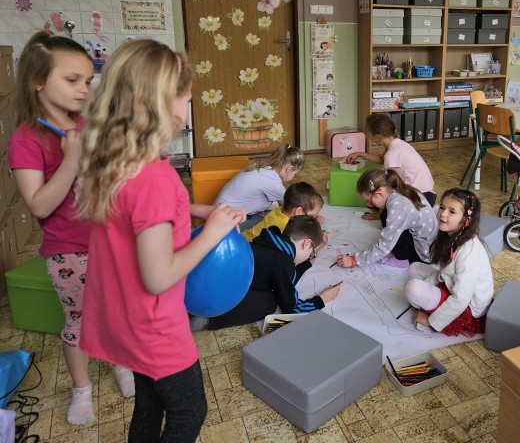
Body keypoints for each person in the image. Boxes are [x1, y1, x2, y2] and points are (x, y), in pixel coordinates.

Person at [74, 39, 245, 442]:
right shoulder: (154, 178)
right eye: (187, 99)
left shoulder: (117, 161)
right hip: (153, 324)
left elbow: (138, 218)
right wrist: (214, 233)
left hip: (122, 318)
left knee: (150, 405)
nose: (189, 108)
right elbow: (158, 276)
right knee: (189, 411)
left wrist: (198, 210)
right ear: (163, 104)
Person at [7, 31, 136, 425]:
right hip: (69, 250)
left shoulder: (87, 123)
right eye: (72, 79)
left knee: (117, 312)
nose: (84, 89)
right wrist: (71, 160)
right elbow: (39, 204)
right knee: (79, 323)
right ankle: (82, 388)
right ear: (38, 81)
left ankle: (121, 363)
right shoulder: (26, 139)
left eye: (87, 80)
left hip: (112, 239)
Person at [199, 215, 341, 331]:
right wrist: (322, 299)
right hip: (213, 301)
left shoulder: (269, 241)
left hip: (208, 281)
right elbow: (292, 308)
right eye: (311, 252)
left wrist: (308, 261)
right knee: (270, 302)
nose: (310, 255)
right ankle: (209, 321)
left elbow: (285, 281)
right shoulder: (283, 262)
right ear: (306, 243)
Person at [403, 188, 493, 337]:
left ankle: (431, 318)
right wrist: (427, 287)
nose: (443, 214)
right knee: (414, 268)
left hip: (468, 308)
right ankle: (428, 303)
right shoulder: (452, 235)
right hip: (451, 285)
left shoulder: (468, 253)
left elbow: (461, 299)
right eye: (442, 207)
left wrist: (431, 321)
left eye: (452, 211)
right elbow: (444, 272)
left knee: (412, 287)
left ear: (466, 219)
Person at [336, 168, 437, 268]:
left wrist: (355, 260)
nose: (370, 204)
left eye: (370, 202)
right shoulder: (398, 189)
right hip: (430, 245)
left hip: (423, 255)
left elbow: (385, 245)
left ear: (379, 192)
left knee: (385, 216)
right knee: (385, 215)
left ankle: (402, 259)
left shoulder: (398, 206)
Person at [345, 113, 435, 222]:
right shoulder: (398, 144)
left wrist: (378, 215)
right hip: (428, 193)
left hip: (420, 198)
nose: (367, 135)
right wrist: (360, 154)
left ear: (377, 135)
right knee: (377, 201)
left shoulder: (391, 155)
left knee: (384, 217)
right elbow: (382, 159)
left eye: (367, 133)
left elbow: (387, 187)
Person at [215, 144, 305, 229]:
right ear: (289, 169)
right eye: (295, 174)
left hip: (216, 214)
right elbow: (290, 209)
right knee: (275, 220)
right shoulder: (273, 183)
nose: (294, 177)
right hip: (225, 224)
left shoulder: (261, 166)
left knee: (273, 208)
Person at [241, 181, 325, 242]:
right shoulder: (287, 227)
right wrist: (317, 225)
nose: (314, 218)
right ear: (299, 211)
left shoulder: (280, 210)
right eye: (312, 216)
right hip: (248, 249)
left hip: (243, 237)